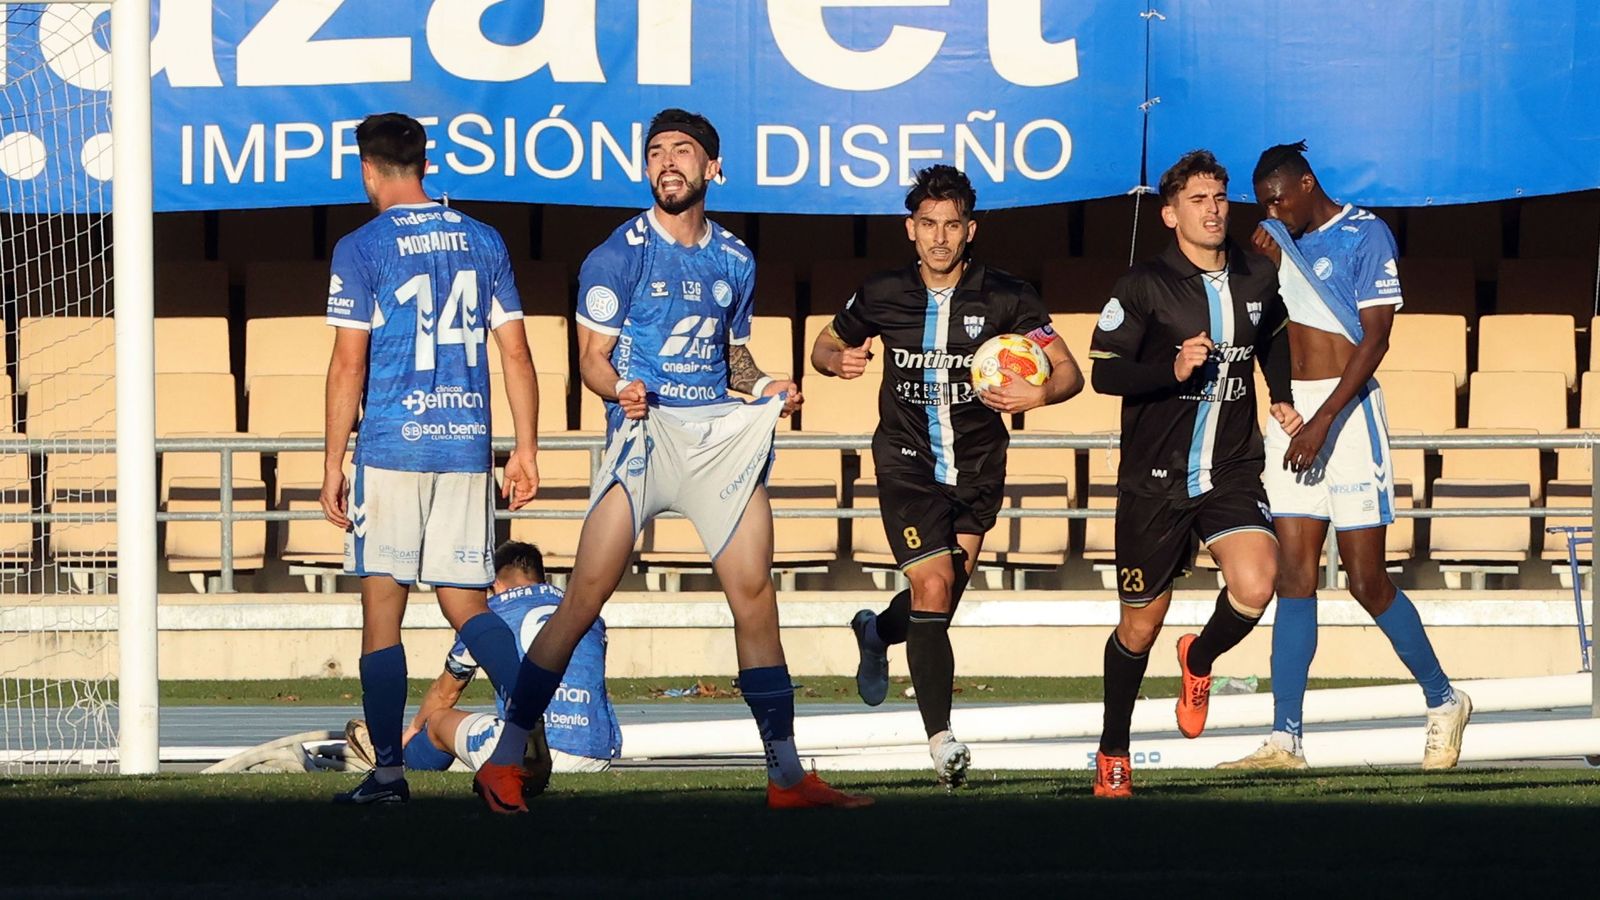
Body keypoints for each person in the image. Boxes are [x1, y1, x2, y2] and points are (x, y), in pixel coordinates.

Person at [479, 108, 872, 813]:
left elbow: (734, 358)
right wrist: (619, 388)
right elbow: (591, 361)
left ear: (712, 167)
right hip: (646, 433)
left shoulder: (735, 258)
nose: (667, 161)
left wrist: (768, 386)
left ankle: (786, 776)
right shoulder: (616, 255)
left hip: (717, 437)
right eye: (656, 151)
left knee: (755, 598)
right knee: (583, 599)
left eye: (683, 151)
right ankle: (505, 758)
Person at [810, 165, 1083, 786]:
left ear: (970, 230)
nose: (939, 237)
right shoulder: (881, 291)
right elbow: (823, 345)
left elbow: (1069, 371)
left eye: (951, 225)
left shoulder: (1008, 296)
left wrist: (1038, 395)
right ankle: (942, 744)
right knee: (932, 586)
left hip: (978, 466)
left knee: (941, 597)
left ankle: (876, 632)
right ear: (910, 229)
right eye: (928, 224)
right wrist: (837, 360)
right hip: (905, 461)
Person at [1219, 141, 1470, 771]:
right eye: (1263, 203)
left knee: (1365, 580)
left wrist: (1324, 421)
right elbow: (1267, 329)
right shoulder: (1276, 240)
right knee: (1293, 576)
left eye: (1278, 198)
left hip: (1348, 416)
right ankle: (1286, 739)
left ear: (1306, 184)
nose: (1271, 210)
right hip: (1296, 418)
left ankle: (1444, 700)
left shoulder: (1366, 233)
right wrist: (1285, 402)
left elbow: (1376, 339)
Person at [321, 112, 541, 805]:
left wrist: (332, 462)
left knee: (382, 615)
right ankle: (522, 730)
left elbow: (348, 364)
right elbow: (516, 353)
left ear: (368, 169)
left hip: (392, 446)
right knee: (465, 602)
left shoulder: (361, 246)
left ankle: (388, 774)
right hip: (466, 444)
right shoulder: (484, 238)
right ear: (424, 163)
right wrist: (526, 448)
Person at [1086, 149, 1297, 798]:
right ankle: (1113, 752)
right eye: (1198, 200)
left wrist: (1281, 395)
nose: (1213, 210)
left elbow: (1274, 332)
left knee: (1259, 583)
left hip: (1231, 468)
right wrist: (1170, 370)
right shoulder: (1143, 285)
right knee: (1139, 627)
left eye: (1220, 198)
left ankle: (1198, 657)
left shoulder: (1257, 274)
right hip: (1155, 480)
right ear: (1170, 214)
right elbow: (1104, 373)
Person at [345, 541, 621, 787]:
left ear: (495, 584)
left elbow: (446, 692)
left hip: (528, 752)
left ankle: (398, 760)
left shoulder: (493, 613)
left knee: (438, 721)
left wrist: (412, 732)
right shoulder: (583, 613)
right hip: (594, 754)